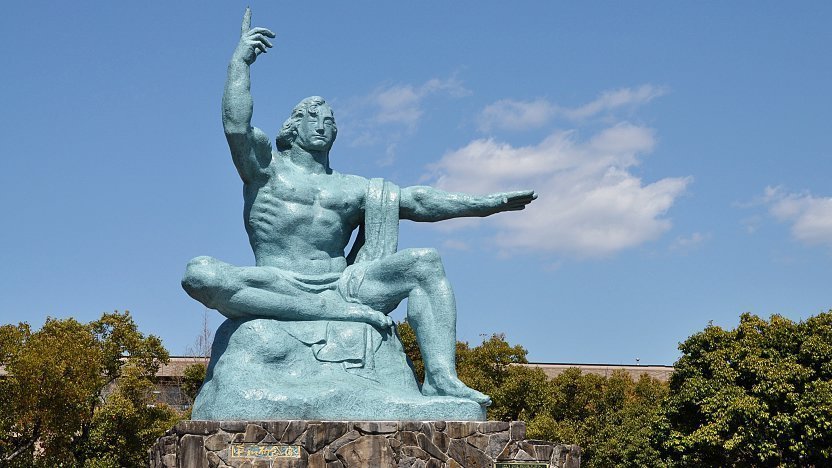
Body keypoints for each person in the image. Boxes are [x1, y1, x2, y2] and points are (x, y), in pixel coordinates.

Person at [182, 9, 536, 405]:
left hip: (344, 286)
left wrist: (485, 204)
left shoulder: (351, 188)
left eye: (330, 120)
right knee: (199, 274)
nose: (322, 124)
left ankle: (441, 378)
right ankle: (319, 309)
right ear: (291, 127)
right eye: (312, 117)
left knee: (425, 263)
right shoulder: (265, 170)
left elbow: (417, 200)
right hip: (277, 282)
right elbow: (236, 126)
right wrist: (239, 64)